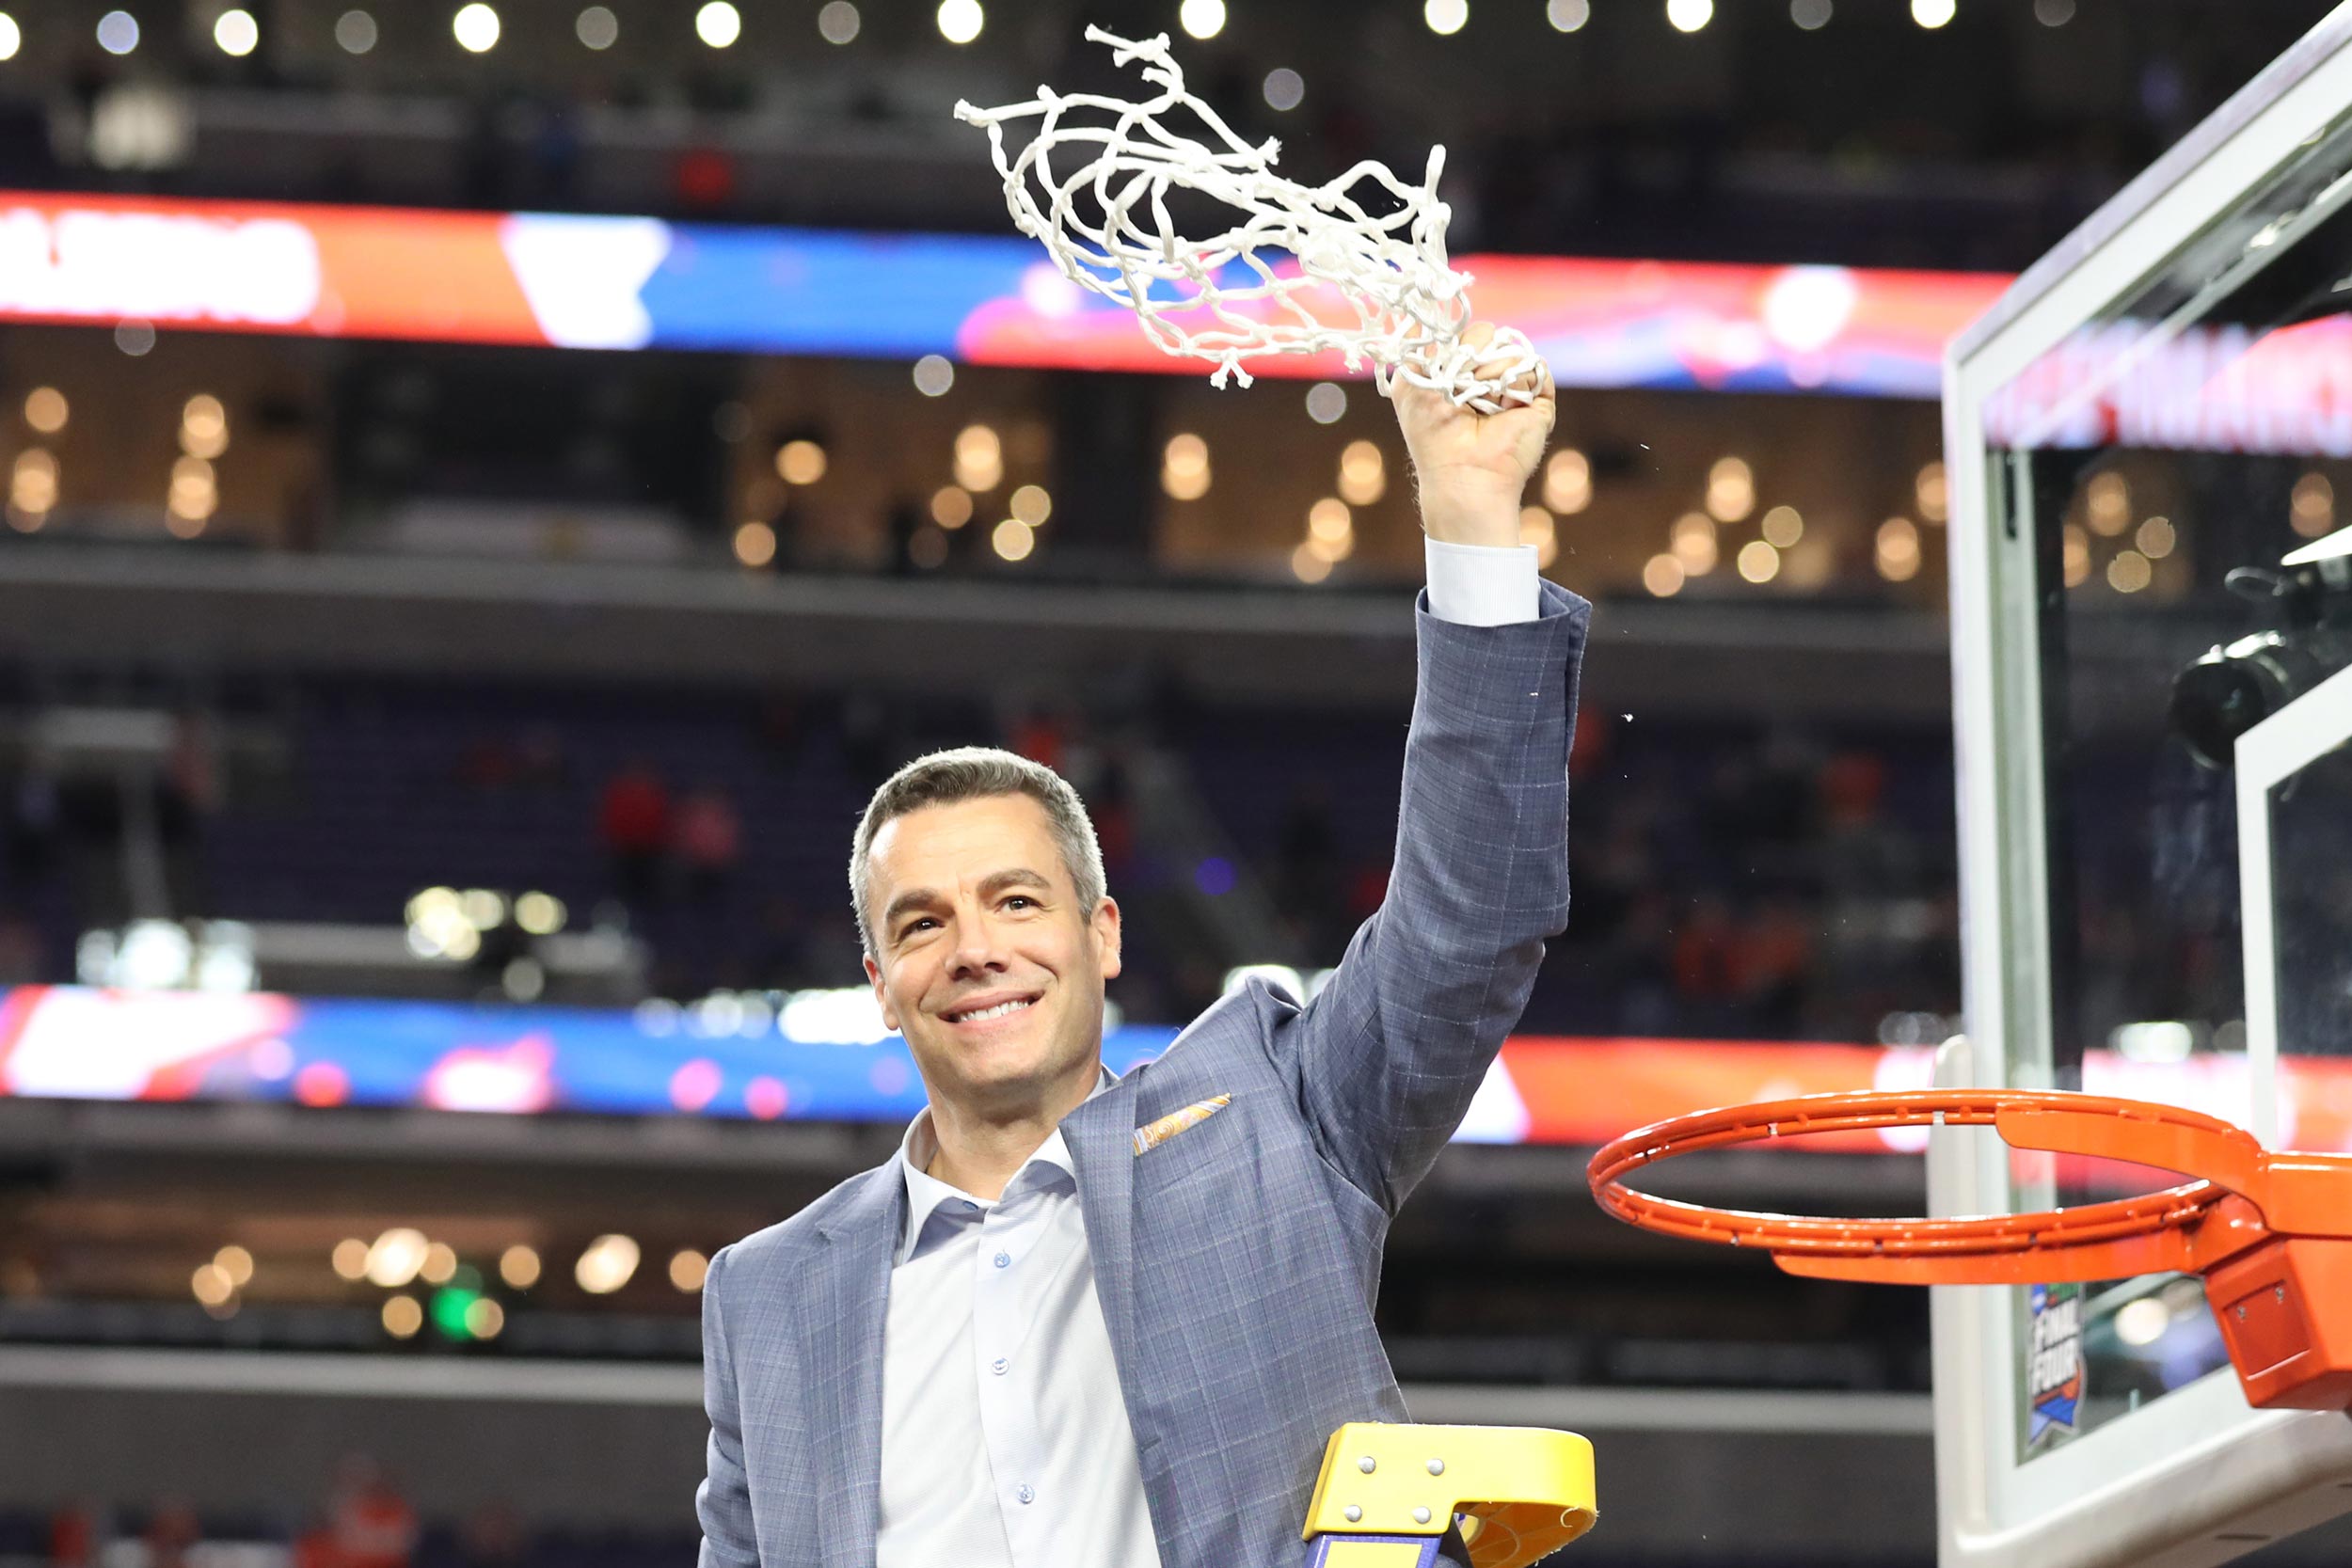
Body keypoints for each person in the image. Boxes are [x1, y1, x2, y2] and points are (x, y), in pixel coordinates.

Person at [695, 327, 1584, 1568]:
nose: (973, 950)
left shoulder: (1282, 1115)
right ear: (881, 987)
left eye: (1015, 902)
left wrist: (1473, 511)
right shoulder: (768, 1294)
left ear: (1102, 935)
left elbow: (1468, 930)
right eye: (922, 923)